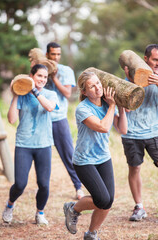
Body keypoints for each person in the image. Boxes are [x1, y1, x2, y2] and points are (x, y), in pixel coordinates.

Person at [63, 71, 127, 240]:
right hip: (84, 160)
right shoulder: (83, 109)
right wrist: (112, 106)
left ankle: (91, 233)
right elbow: (103, 127)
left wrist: (120, 106)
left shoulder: (107, 104)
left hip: (103, 157)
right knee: (102, 199)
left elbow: (123, 130)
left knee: (108, 201)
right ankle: (73, 208)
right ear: (84, 92)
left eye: (98, 83)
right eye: (92, 86)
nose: (98, 88)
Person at [2, 64, 59, 225]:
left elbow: (48, 107)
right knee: (20, 184)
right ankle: (9, 205)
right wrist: (15, 94)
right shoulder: (22, 95)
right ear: (31, 76)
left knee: (44, 184)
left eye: (45, 77)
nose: (42, 79)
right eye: (39, 75)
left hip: (44, 145)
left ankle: (40, 213)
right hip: (24, 144)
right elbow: (12, 120)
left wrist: (34, 90)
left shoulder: (50, 94)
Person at [121, 44, 158, 221]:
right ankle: (139, 207)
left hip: (155, 131)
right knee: (134, 168)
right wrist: (130, 80)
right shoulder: (129, 78)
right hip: (132, 133)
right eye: (155, 60)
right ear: (145, 59)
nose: (157, 63)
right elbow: (125, 107)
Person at [45, 42, 84, 200]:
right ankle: (42, 190)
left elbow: (68, 93)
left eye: (58, 54)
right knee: (42, 155)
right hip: (43, 120)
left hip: (58, 118)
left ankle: (78, 187)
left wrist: (54, 79)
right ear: (47, 54)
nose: (55, 57)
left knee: (68, 154)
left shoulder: (66, 71)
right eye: (53, 54)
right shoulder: (41, 70)